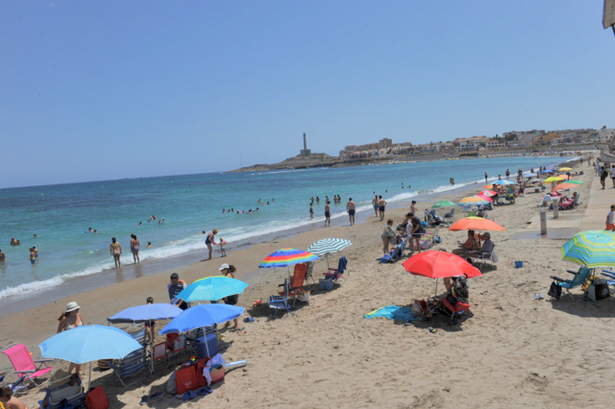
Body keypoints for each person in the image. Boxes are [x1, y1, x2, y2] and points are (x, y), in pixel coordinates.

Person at [57, 302, 84, 376]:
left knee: (80, 358)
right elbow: (59, 331)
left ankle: (77, 373)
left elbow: (83, 326)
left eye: (78, 308)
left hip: (80, 340)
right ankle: (69, 372)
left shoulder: (78, 315)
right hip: (71, 342)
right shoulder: (64, 319)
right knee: (75, 359)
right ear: (71, 311)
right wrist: (63, 341)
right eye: (76, 309)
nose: (78, 309)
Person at [220, 264, 239, 330]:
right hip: (232, 294)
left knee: (231, 309)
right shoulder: (230, 275)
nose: (221, 271)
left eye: (222, 270)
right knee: (227, 308)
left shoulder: (228, 276)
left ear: (226, 269)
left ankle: (236, 324)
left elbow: (226, 287)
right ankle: (228, 322)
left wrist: (225, 296)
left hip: (230, 295)